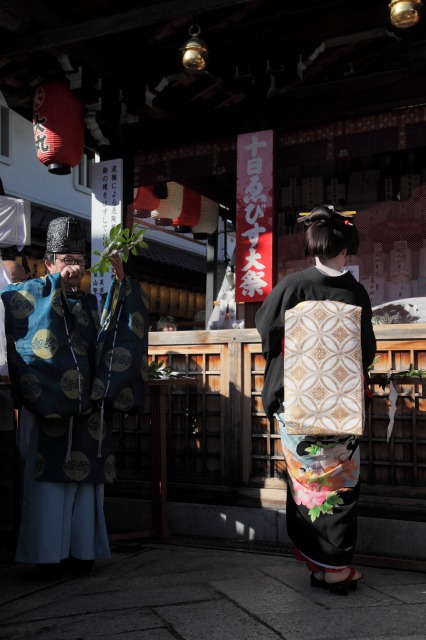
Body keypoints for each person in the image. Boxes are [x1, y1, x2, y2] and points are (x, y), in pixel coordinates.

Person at [0, 216, 149, 579]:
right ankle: (48, 557)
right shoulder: (27, 296)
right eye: (64, 259)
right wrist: (52, 286)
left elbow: (119, 335)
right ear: (48, 263)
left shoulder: (94, 304)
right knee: (49, 488)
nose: (73, 267)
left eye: (79, 260)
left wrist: (121, 285)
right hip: (50, 405)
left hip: (88, 410)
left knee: (86, 487)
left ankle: (83, 554)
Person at [255, 204, 376, 595]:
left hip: (298, 402)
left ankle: (321, 564)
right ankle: (335, 569)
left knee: (307, 484)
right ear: (345, 250)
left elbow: (266, 328)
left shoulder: (293, 286)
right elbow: (367, 350)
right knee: (340, 485)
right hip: (341, 405)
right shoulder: (355, 292)